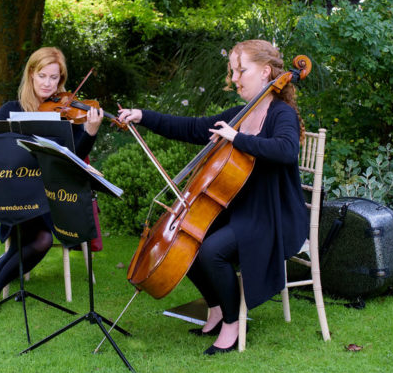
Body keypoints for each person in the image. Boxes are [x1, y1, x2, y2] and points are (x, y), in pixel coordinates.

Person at [117, 40, 309, 355]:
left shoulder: (281, 114)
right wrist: (142, 116)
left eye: (240, 70)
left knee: (211, 251)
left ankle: (233, 324)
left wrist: (238, 138)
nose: (234, 78)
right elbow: (192, 128)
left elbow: (286, 150)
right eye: (233, 71)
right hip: (243, 211)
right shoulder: (240, 113)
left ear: (265, 72)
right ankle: (217, 307)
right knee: (186, 240)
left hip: (273, 216)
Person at [0, 46, 104, 312]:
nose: (48, 84)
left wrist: (90, 132)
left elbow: (75, 158)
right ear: (31, 75)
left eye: (55, 78)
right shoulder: (10, 110)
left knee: (42, 238)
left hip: (52, 192)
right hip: (17, 191)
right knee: (38, 236)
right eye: (43, 76)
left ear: (61, 80)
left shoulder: (65, 114)